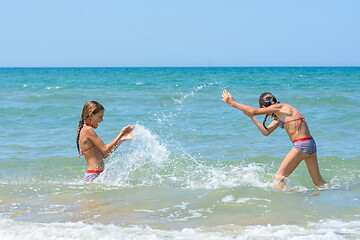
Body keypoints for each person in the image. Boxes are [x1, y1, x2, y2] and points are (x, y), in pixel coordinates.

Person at [222, 90, 326, 189]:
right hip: (310, 144)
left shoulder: (280, 107)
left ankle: (289, 202)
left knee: (278, 178)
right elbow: (266, 132)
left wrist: (232, 103)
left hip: (302, 145)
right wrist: (252, 117)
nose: (268, 114)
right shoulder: (280, 114)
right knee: (318, 181)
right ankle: (337, 190)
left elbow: (254, 111)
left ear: (264, 107)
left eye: (266, 111)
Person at [76, 100, 135, 182]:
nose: (102, 120)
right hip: (94, 176)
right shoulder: (87, 130)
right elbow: (105, 149)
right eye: (100, 116)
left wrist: (122, 139)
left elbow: (105, 154)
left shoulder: (86, 129)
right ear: (91, 115)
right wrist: (121, 134)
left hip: (97, 174)